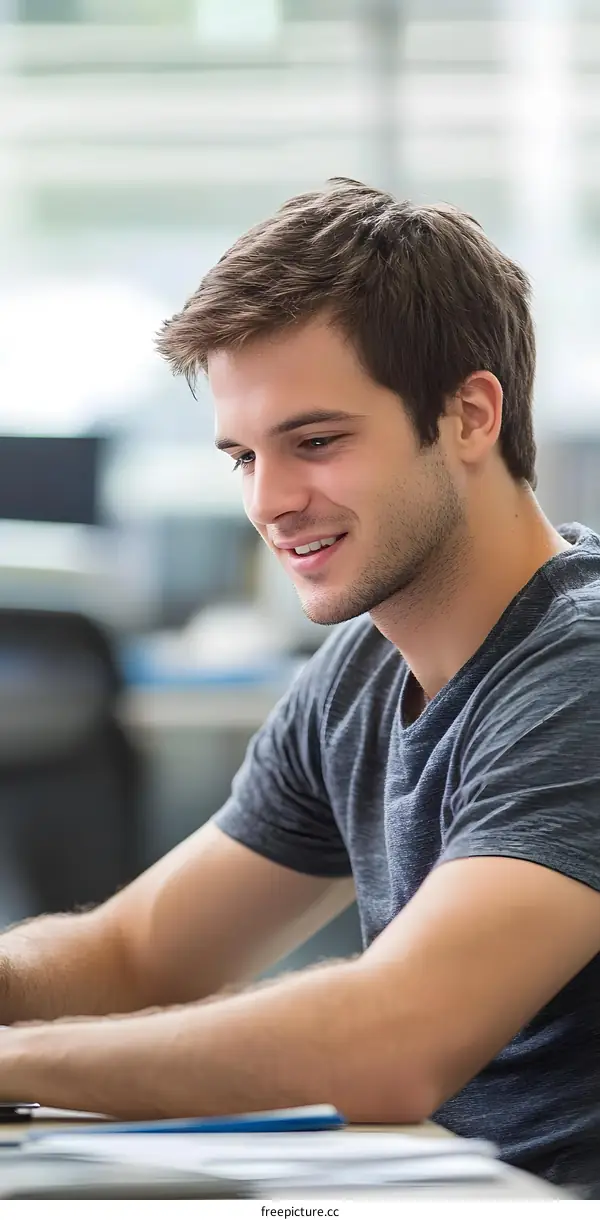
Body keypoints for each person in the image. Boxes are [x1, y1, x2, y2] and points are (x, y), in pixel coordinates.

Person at [0, 178, 599, 1198]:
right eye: (243, 455)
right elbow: (142, 952)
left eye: (316, 442)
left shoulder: (579, 673)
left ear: (468, 414)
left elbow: (395, 1037)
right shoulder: (364, 670)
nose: (271, 502)